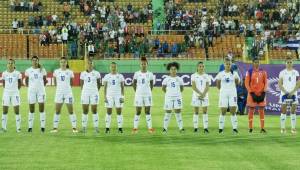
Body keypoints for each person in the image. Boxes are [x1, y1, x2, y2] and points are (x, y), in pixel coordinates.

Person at [50, 57, 78, 133]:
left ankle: (74, 128)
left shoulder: (70, 72)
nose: (63, 63)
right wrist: (60, 89)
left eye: (64, 62)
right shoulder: (56, 72)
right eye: (61, 62)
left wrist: (66, 89)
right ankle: (55, 128)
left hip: (68, 93)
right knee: (57, 110)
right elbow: (55, 83)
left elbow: (71, 83)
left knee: (71, 111)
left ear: (66, 63)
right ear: (60, 63)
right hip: (59, 93)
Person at [216, 58, 240, 134]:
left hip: (233, 94)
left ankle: (235, 128)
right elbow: (218, 84)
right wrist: (223, 90)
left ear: (231, 65)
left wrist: (232, 88)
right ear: (224, 64)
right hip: (223, 94)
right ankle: (220, 129)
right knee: (223, 111)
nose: (228, 65)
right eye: (227, 64)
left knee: (233, 111)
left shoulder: (235, 73)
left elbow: (237, 83)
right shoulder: (220, 73)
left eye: (229, 64)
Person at [132, 57, 155, 134]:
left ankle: (150, 128)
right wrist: (137, 91)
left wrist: (148, 91)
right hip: (139, 95)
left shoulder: (150, 74)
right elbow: (134, 83)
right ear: (140, 65)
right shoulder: (136, 73)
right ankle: (135, 128)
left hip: (148, 95)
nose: (143, 65)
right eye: (142, 64)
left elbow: (152, 84)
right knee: (138, 111)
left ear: (147, 64)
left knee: (148, 111)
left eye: (144, 64)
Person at [25, 56, 47, 133]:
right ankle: (30, 127)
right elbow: (26, 81)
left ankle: (43, 127)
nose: (35, 62)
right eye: (33, 60)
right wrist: (31, 88)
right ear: (31, 61)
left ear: (38, 61)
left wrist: (40, 87)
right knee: (31, 110)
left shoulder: (42, 70)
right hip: (31, 92)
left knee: (41, 109)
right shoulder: (28, 70)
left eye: (36, 60)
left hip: (41, 91)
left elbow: (45, 80)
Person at [245, 58, 268, 133]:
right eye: (255, 62)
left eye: (258, 62)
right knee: (251, 110)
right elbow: (246, 83)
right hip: (252, 95)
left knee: (261, 110)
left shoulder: (263, 72)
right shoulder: (249, 72)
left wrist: (264, 93)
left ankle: (262, 128)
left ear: (259, 63)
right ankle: (250, 128)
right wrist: (251, 93)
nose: (256, 63)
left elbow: (266, 83)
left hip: (261, 94)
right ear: (253, 63)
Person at [162, 62, 185, 133]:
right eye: (172, 69)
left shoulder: (179, 79)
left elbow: (182, 88)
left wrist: (176, 94)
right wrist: (169, 94)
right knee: (168, 112)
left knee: (178, 112)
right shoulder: (166, 79)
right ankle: (165, 128)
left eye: (175, 69)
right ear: (169, 70)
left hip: (177, 98)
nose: (173, 70)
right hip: (168, 97)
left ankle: (181, 128)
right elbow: (163, 88)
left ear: (177, 70)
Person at [278, 57, 299, 134]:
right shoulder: (282, 72)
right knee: (283, 111)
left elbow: (298, 83)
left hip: (294, 93)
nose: (289, 63)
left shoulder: (296, 72)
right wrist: (286, 92)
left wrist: (293, 92)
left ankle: (293, 128)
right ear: (285, 63)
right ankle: (283, 128)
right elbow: (280, 84)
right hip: (284, 93)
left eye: (290, 62)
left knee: (293, 111)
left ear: (292, 63)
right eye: (288, 62)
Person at [1, 59, 22, 132]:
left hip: (15, 93)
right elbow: (3, 83)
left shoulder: (17, 73)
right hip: (6, 93)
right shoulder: (4, 73)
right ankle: (3, 128)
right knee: (4, 111)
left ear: (14, 65)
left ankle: (18, 128)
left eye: (11, 63)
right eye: (9, 63)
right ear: (7, 65)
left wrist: (15, 90)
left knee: (17, 111)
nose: (10, 64)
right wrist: (8, 90)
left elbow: (20, 83)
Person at [103, 62, 125, 133]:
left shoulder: (120, 76)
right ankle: (107, 128)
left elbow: (122, 87)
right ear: (110, 67)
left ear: (116, 67)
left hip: (118, 96)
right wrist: (105, 97)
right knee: (108, 112)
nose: (113, 68)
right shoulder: (107, 76)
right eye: (112, 67)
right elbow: (105, 87)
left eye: (114, 67)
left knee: (119, 112)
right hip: (109, 96)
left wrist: (122, 97)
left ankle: (120, 128)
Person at [80, 59, 101, 133]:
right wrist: (84, 91)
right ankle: (84, 128)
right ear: (86, 64)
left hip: (94, 93)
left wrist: (95, 91)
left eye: (91, 63)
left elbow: (99, 84)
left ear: (93, 64)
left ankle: (96, 127)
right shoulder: (82, 73)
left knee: (94, 110)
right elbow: (81, 84)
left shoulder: (97, 73)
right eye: (88, 63)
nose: (89, 64)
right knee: (85, 110)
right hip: (85, 93)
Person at [191, 61, 210, 133]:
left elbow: (208, 86)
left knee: (205, 112)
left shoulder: (207, 76)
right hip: (196, 96)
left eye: (202, 66)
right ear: (197, 67)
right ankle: (195, 128)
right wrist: (200, 94)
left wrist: (203, 94)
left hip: (205, 95)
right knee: (196, 112)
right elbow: (193, 87)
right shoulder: (193, 75)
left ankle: (205, 128)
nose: (201, 68)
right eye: (200, 66)